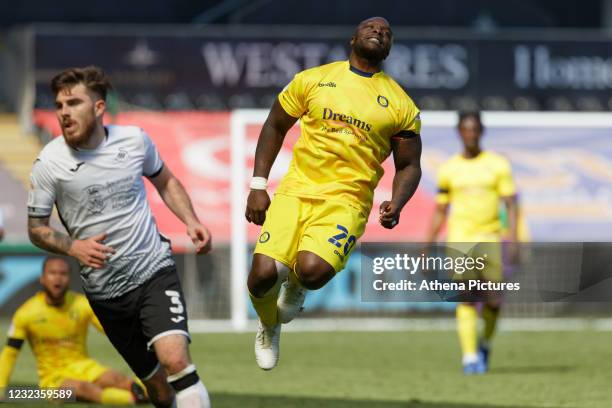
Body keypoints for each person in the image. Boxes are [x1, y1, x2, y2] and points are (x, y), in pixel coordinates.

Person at [27, 66, 212, 407]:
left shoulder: (135, 140)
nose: (65, 113)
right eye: (59, 105)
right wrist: (73, 247)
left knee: (175, 362)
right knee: (158, 389)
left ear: (98, 108)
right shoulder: (49, 163)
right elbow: (36, 228)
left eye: (74, 103)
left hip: (153, 271)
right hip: (106, 295)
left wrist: (190, 219)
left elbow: (166, 180)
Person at [245, 17, 422, 370]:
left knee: (312, 271)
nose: (379, 32)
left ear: (389, 48)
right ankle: (269, 326)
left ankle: (296, 286)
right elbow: (275, 125)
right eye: (371, 28)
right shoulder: (313, 79)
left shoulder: (400, 104)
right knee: (262, 275)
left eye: (386, 33)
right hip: (296, 191)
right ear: (353, 37)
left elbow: (409, 165)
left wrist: (397, 203)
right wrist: (258, 185)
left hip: (347, 201)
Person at [426, 111, 519, 374]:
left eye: (475, 129)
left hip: (490, 238)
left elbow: (511, 203)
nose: (471, 134)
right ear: (459, 132)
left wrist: (512, 237)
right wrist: (427, 242)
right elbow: (440, 210)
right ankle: (469, 357)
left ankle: (485, 343)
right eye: (466, 129)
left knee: (494, 301)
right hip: (460, 240)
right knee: (466, 298)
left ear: (481, 132)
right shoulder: (449, 169)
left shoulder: (498, 165)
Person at [0, 256, 147, 404]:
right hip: (53, 383)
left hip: (85, 368)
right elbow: (9, 353)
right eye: (52, 273)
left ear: (69, 278)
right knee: (82, 389)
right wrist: (0, 387)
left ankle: (153, 391)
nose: (58, 278)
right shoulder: (26, 313)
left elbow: (113, 331)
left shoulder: (81, 304)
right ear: (42, 278)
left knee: (117, 379)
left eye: (63, 273)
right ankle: (135, 400)